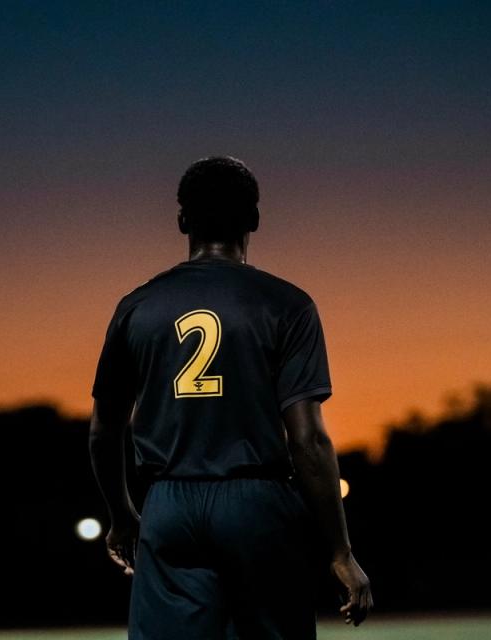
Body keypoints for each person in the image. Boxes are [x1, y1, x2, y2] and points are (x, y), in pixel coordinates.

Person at [88, 156, 372, 639]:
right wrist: (339, 551)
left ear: (181, 220)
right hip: (257, 501)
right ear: (255, 218)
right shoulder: (287, 304)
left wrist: (122, 516)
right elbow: (308, 441)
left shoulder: (136, 306)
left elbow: (104, 431)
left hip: (169, 502)